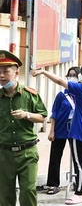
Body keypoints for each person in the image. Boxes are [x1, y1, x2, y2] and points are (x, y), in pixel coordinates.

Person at [32, 63, 82, 205]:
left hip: (80, 133)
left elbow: (59, 81)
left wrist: (43, 72)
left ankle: (78, 193)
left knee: (80, 163)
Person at [0, 50, 48, 206]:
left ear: (16, 72)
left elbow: (42, 116)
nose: (1, 75)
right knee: (5, 194)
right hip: (4, 155)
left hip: (27, 153)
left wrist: (27, 115)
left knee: (27, 191)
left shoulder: (29, 95)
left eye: (6, 71)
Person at [45, 66, 81, 195]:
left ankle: (80, 183)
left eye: (74, 75)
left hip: (76, 129)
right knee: (55, 156)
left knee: (78, 158)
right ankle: (53, 184)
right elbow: (54, 113)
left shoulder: (81, 93)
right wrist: (51, 131)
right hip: (60, 128)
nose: (72, 77)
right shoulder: (61, 95)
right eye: (69, 75)